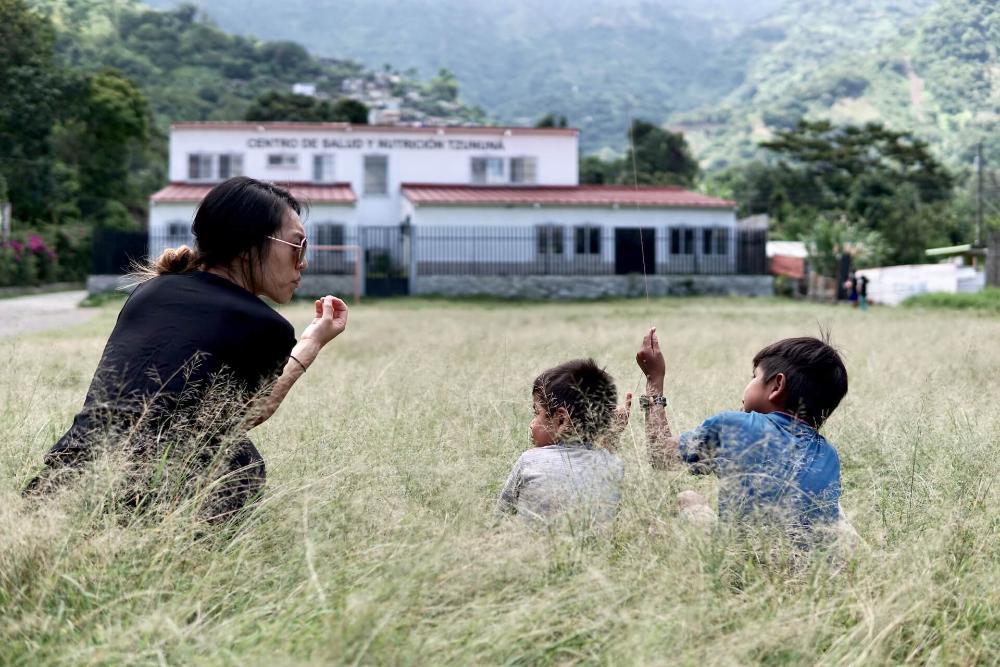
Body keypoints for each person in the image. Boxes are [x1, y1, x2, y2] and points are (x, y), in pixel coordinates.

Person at [23, 176, 348, 521]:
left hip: (60, 483)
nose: (304, 262)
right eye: (297, 246)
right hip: (149, 496)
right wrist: (312, 342)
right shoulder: (264, 324)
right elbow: (249, 414)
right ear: (250, 243)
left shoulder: (149, 292)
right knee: (241, 460)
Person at [634, 328, 849, 536]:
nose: (748, 384)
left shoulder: (734, 425)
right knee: (838, 513)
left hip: (741, 559)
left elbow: (660, 455)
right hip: (807, 569)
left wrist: (654, 382)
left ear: (777, 386)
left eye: (754, 376)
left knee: (687, 498)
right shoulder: (829, 455)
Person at [495, 359, 629, 527]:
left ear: (561, 419)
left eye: (537, 413)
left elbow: (500, 517)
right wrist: (612, 436)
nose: (532, 423)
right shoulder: (615, 466)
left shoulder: (529, 460)